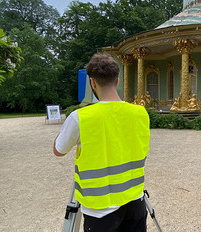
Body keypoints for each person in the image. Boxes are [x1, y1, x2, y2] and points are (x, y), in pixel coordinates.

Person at [53, 53, 150, 232]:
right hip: (135, 201)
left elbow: (59, 150)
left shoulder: (80, 118)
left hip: (100, 210)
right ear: (118, 81)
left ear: (92, 82)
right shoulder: (140, 113)